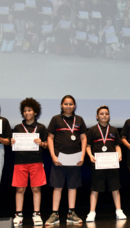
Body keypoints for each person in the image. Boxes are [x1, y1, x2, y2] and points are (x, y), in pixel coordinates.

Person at [45, 95, 87, 225]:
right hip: (59, 159)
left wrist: (82, 156)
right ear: (61, 105)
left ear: (74, 106)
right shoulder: (56, 119)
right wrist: (53, 156)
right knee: (57, 186)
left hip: (75, 159)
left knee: (72, 186)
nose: (68, 106)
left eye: (71, 104)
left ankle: (71, 213)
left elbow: (84, 138)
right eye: (66, 104)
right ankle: (54, 214)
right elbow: (50, 138)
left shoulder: (79, 120)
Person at [85, 106, 126, 222]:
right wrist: (90, 156)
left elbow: (117, 145)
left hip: (112, 163)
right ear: (97, 116)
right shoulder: (92, 130)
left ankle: (119, 210)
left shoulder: (113, 130)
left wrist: (119, 154)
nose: (104, 116)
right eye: (101, 114)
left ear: (109, 116)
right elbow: (88, 146)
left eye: (106, 114)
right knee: (95, 188)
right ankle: (92, 212)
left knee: (115, 187)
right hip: (98, 163)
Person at [11, 98, 48, 226]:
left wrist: (42, 143)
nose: (27, 113)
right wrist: (12, 143)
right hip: (20, 162)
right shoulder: (17, 127)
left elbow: (47, 145)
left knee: (36, 188)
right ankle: (18, 214)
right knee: (20, 189)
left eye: (29, 110)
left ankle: (37, 214)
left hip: (36, 161)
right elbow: (13, 145)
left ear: (35, 112)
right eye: (25, 111)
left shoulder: (41, 127)